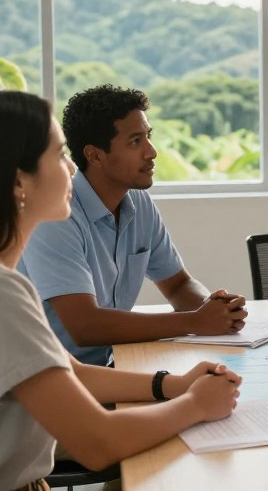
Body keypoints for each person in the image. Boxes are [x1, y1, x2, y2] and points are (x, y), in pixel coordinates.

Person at [0, 89, 240, 488]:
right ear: (18, 182)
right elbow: (97, 442)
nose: (73, 170)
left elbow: (71, 371)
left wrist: (172, 385)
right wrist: (194, 405)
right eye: (60, 155)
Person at [20, 85, 247, 366]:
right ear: (95, 156)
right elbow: (85, 326)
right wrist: (196, 321)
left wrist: (215, 308)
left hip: (116, 363)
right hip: (59, 377)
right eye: (134, 142)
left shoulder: (139, 203)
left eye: (148, 137)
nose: (151, 152)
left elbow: (178, 285)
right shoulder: (56, 215)